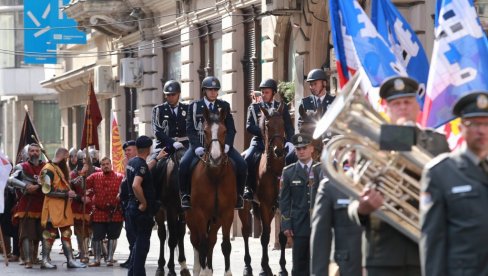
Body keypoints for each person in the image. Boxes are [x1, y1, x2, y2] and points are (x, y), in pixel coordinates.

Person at [347, 76, 450, 276]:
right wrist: (361, 208)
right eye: (395, 103)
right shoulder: (370, 146)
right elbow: (352, 202)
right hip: (383, 253)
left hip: (428, 251)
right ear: (386, 109)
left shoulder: (438, 143)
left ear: (418, 106)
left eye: (407, 102)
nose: (402, 107)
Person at [420, 91, 488, 275]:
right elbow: (433, 241)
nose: (481, 130)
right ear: (461, 127)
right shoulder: (440, 173)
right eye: (474, 124)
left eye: (486, 123)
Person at [178, 76, 246, 209]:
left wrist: (227, 145)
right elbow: (190, 129)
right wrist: (196, 146)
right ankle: (185, 195)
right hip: (199, 146)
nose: (213, 92)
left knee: (242, 164)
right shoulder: (194, 106)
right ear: (204, 91)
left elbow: (231, 129)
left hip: (221, 146)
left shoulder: (224, 106)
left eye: (215, 90)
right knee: (184, 165)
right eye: (210, 89)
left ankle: (239, 195)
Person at [310, 146, 363, 276]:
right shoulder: (331, 187)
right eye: (353, 151)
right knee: (250, 157)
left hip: (390, 267)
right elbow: (321, 238)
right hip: (348, 268)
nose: (359, 156)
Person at [243, 78, 295, 200]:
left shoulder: (281, 107)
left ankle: (293, 186)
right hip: (259, 141)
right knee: (248, 157)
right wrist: (265, 133)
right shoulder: (254, 107)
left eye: (267, 92)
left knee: (293, 157)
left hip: (278, 142)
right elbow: (249, 126)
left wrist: (290, 142)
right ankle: (248, 187)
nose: (264, 95)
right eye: (262, 92)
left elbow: (288, 126)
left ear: (273, 93)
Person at [39, 147, 86, 269]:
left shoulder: (59, 169)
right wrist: (66, 194)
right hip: (52, 207)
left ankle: (70, 260)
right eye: (67, 159)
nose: (67, 162)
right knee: (50, 234)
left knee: (66, 233)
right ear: (64, 157)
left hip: (63, 208)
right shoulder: (48, 169)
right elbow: (46, 191)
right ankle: (44, 260)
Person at [126, 135, 166, 276]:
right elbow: (136, 185)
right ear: (149, 148)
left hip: (131, 208)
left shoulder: (133, 162)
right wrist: (143, 202)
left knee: (136, 246)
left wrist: (157, 159)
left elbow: (144, 170)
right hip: (140, 212)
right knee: (142, 248)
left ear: (137, 148)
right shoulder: (141, 165)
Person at [279, 133, 318, 276]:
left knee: (319, 264)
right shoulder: (288, 172)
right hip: (299, 225)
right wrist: (286, 224)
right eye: (298, 149)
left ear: (312, 149)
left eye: (304, 148)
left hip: (319, 224)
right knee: (299, 264)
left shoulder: (321, 170)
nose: (301, 151)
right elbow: (284, 200)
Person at [7, 143, 45, 268]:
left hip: (42, 204)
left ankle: (35, 257)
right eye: (32, 151)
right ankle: (27, 259)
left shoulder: (46, 167)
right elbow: (11, 180)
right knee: (27, 233)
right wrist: (26, 186)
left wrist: (38, 186)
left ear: (40, 153)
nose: (34, 153)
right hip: (26, 204)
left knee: (40, 233)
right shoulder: (21, 166)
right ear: (27, 153)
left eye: (37, 151)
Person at [86, 157, 124, 267]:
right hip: (99, 211)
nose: (105, 166)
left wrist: (121, 195)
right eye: (103, 164)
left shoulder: (120, 177)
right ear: (101, 166)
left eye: (107, 164)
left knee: (113, 236)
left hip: (115, 212)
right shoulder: (94, 177)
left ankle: (110, 258)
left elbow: (126, 191)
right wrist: (83, 173)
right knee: (97, 236)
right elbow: (82, 184)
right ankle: (97, 259)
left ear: (111, 165)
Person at [70, 152, 100, 263]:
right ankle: (83, 253)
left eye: (86, 159)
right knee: (80, 232)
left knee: (95, 231)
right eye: (82, 159)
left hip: (94, 205)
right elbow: (70, 188)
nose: (84, 162)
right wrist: (80, 197)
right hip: (79, 206)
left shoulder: (98, 171)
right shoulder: (73, 174)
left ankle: (99, 253)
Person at [152, 80, 189, 154]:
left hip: (185, 146)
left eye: (173, 94)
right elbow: (157, 132)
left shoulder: (187, 108)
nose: (171, 97)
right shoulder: (158, 110)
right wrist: (173, 143)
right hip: (165, 147)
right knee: (154, 164)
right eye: (168, 95)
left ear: (178, 94)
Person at [119, 140, 136, 268]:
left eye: (129, 150)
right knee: (129, 234)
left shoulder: (138, 163)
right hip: (125, 204)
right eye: (125, 151)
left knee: (134, 235)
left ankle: (134, 259)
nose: (126, 153)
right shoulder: (127, 163)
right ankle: (131, 257)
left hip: (134, 204)